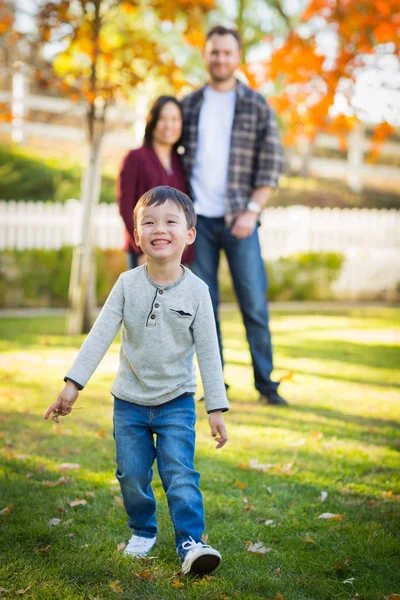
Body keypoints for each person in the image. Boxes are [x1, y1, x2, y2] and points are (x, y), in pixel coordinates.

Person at [44, 186, 229, 576]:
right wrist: (72, 385)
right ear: (136, 234)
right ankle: (143, 530)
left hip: (177, 400)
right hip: (128, 401)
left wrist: (215, 407)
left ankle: (191, 543)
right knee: (131, 474)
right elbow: (99, 336)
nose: (158, 228)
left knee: (180, 473)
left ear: (190, 234)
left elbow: (209, 353)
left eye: (170, 221)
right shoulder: (127, 284)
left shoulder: (198, 292)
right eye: (148, 222)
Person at [181, 25, 287, 406]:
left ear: (237, 57)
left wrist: (252, 210)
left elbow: (272, 164)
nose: (220, 59)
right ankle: (215, 384)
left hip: (241, 220)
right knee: (203, 308)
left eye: (227, 52)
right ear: (205, 55)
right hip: (197, 224)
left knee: (254, 303)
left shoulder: (256, 104)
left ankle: (266, 385)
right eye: (214, 52)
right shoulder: (189, 104)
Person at [117, 96, 194, 269]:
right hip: (144, 252)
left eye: (175, 119)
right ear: (153, 122)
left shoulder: (181, 161)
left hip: (178, 254)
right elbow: (126, 206)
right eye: (163, 119)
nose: (169, 125)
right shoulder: (135, 157)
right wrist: (143, 249)